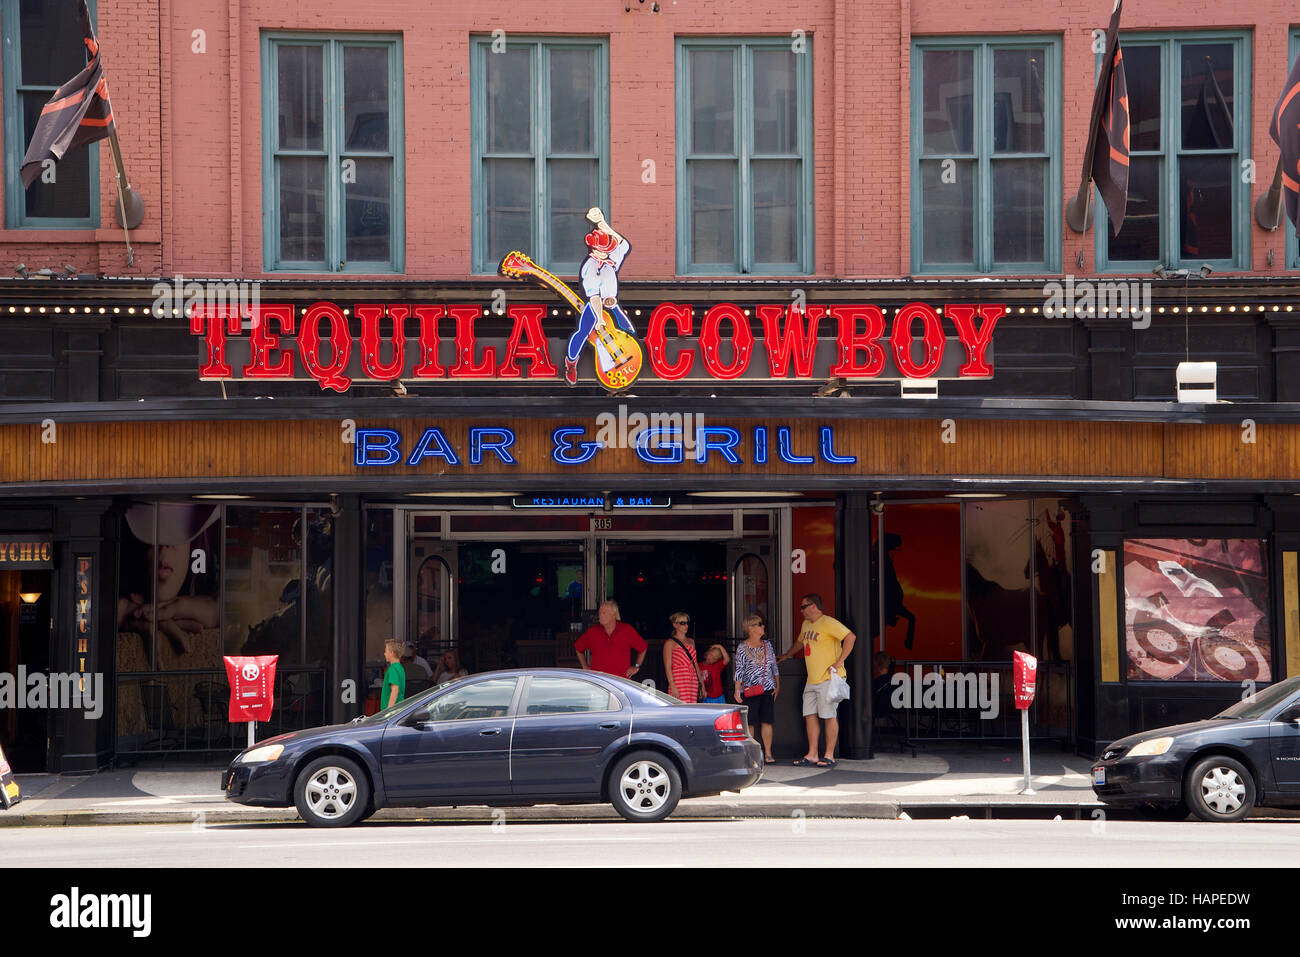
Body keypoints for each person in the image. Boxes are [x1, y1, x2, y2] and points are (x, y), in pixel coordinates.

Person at [779, 593, 856, 768]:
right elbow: (800, 642)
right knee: (810, 716)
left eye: (803, 607)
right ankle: (812, 753)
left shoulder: (828, 622)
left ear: (814, 606)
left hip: (829, 678)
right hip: (812, 679)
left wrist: (840, 661)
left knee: (829, 716)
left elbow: (850, 637)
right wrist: (787, 655)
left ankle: (829, 755)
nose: (801, 610)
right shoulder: (806, 624)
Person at [565, 207, 637, 386]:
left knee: (630, 332)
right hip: (595, 305)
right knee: (583, 332)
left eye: (609, 249)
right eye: (605, 250)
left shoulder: (610, 258)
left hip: (612, 304)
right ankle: (571, 363)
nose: (608, 253)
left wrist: (601, 223)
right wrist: (599, 319)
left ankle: (632, 358)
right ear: (594, 249)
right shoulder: (589, 266)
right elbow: (594, 297)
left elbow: (624, 245)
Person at [733, 615, 778, 765]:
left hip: (767, 688)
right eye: (759, 624)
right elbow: (739, 669)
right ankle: (752, 755)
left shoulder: (767, 645)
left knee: (767, 721)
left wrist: (778, 684)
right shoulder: (742, 647)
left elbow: (774, 667)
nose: (763, 627)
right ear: (751, 628)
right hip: (750, 689)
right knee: (751, 722)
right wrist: (737, 690)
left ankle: (768, 753)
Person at [574, 599, 646, 678]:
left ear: (613, 615)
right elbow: (578, 648)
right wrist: (585, 666)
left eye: (604, 612)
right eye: (600, 612)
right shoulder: (593, 631)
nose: (600, 615)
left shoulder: (626, 630)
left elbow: (643, 648)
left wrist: (637, 666)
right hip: (598, 680)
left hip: (620, 681)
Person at [663, 612, 702, 703]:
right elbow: (668, 667)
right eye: (682, 623)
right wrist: (672, 685)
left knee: (692, 707)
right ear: (675, 625)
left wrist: (702, 684)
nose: (686, 626)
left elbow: (695, 664)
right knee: (680, 707)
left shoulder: (691, 641)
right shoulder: (670, 643)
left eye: (687, 623)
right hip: (678, 679)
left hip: (693, 679)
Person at [381, 639, 406, 709]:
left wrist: (388, 710)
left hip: (392, 712)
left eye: (385, 651)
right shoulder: (400, 667)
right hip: (399, 709)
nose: (384, 653)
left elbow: (395, 689)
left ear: (392, 653)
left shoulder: (393, 669)